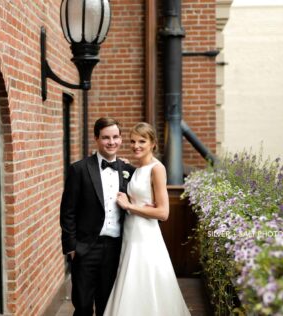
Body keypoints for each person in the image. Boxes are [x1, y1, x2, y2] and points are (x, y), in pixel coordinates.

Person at [103, 122, 191, 316]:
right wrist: (123, 164)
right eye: (133, 141)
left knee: (143, 277)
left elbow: (163, 213)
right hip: (130, 232)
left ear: (153, 143)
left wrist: (129, 206)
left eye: (142, 141)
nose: (136, 145)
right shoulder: (136, 169)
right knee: (130, 278)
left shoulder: (157, 169)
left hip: (145, 235)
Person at [60, 117, 135, 316]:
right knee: (83, 305)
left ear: (120, 139)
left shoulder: (128, 171)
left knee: (107, 304)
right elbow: (68, 211)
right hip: (85, 247)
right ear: (96, 139)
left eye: (116, 137)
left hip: (116, 248)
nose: (112, 142)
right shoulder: (79, 169)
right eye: (106, 138)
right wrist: (71, 247)